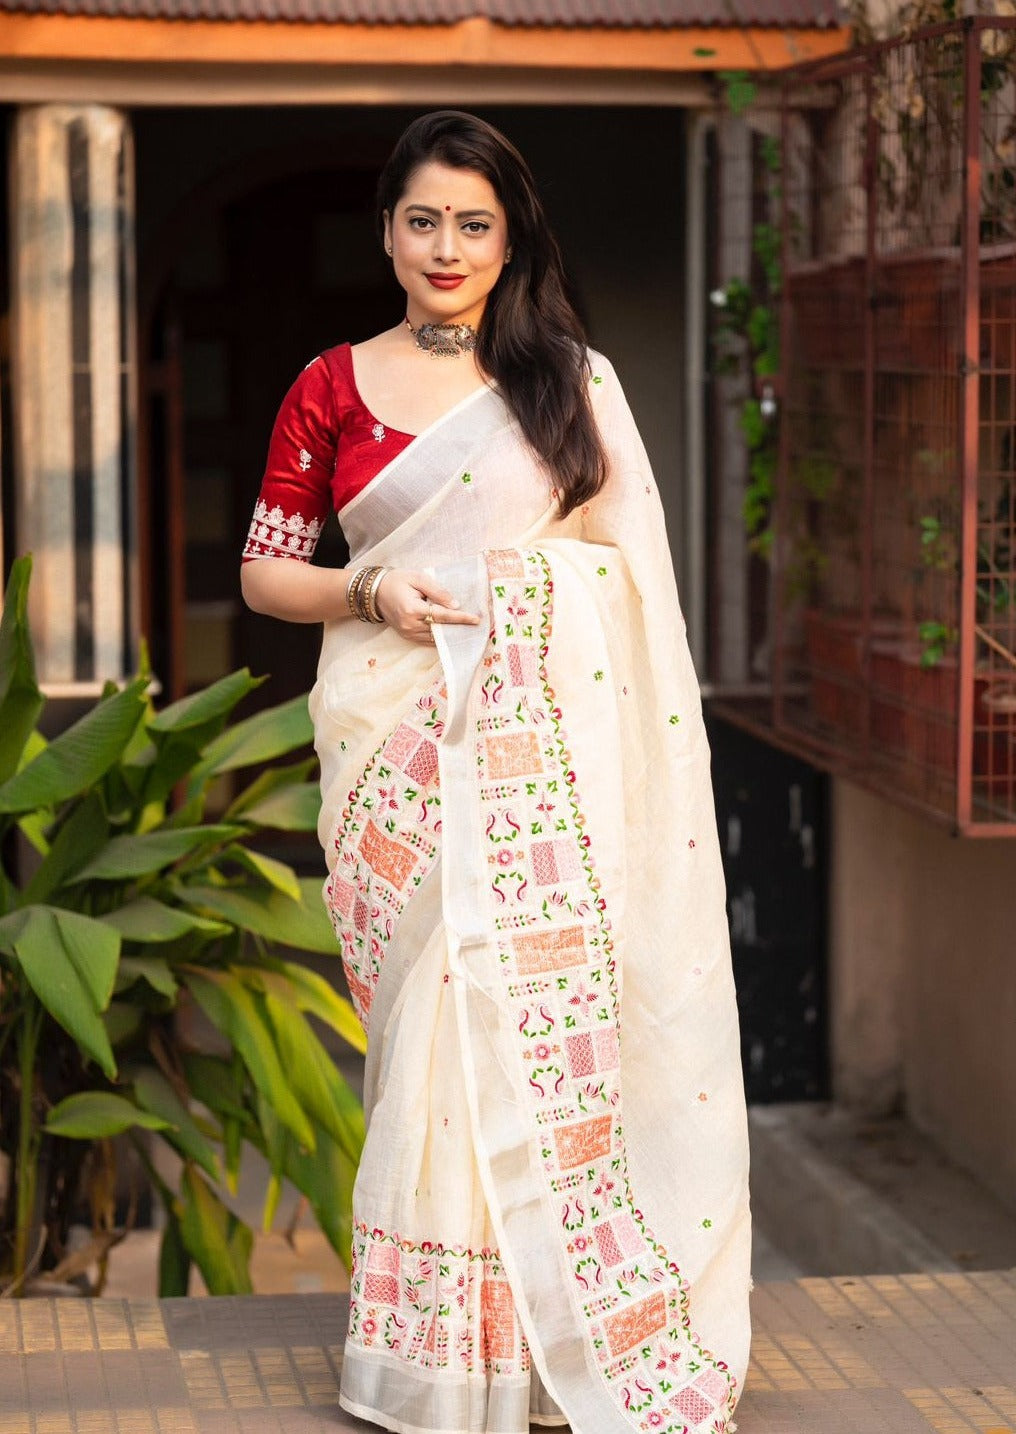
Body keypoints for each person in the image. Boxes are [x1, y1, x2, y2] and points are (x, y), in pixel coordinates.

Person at [241, 110, 751, 1434]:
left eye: (474, 222)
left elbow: (624, 587)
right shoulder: (330, 385)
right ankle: (431, 1354)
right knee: (428, 1033)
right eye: (423, 220)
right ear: (388, 231)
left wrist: (501, 597)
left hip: (542, 773)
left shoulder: (568, 386)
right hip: (388, 744)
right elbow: (265, 570)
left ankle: (531, 1354)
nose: (447, 247)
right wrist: (372, 588)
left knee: (511, 1036)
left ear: (508, 233)